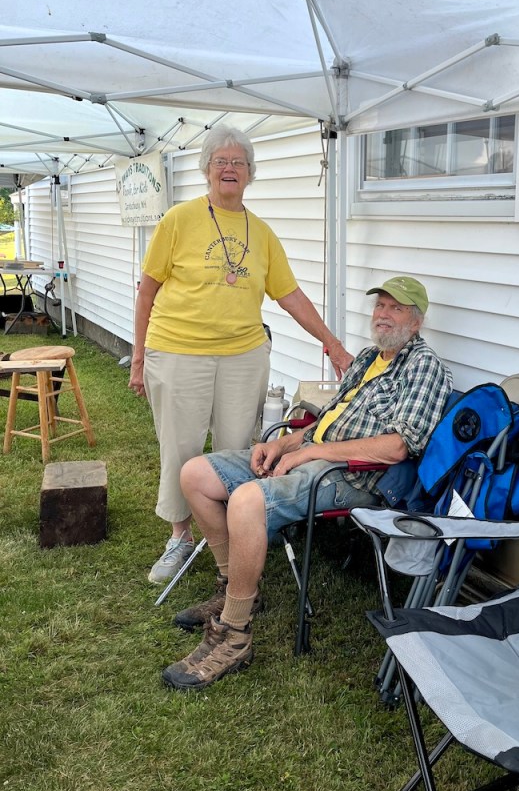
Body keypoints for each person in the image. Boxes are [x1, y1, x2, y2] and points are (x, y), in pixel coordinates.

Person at [161, 275, 452, 690]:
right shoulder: (369, 357)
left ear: (417, 321)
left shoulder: (424, 367)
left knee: (246, 500)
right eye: (380, 306)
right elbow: (326, 420)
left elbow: (396, 448)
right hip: (312, 457)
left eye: (396, 308)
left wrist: (310, 453)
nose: (383, 315)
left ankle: (234, 634)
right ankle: (235, 590)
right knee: (195, 474)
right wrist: (283, 444)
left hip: (353, 476)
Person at [129, 125, 352, 585]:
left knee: (236, 451)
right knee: (182, 448)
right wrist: (138, 358)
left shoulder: (262, 233)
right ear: (206, 170)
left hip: (243, 356)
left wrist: (332, 343)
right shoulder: (179, 220)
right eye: (220, 162)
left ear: (251, 174)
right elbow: (147, 291)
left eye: (239, 163)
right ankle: (179, 536)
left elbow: (290, 296)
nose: (229, 169)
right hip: (178, 351)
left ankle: (230, 542)